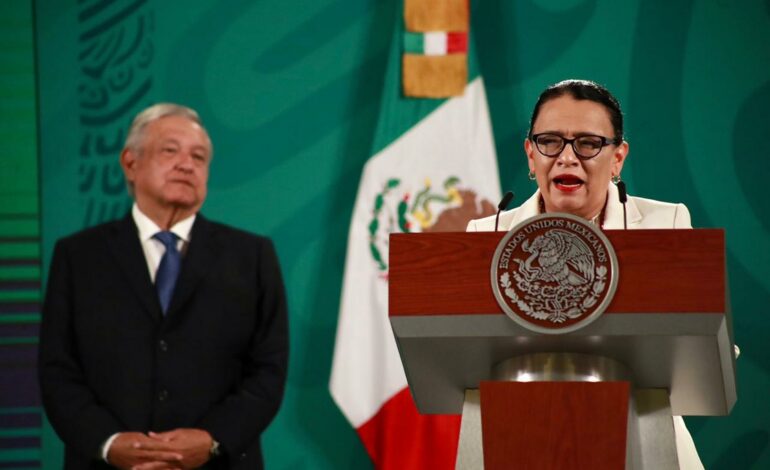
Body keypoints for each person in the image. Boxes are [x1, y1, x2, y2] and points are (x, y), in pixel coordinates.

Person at [467, 79, 702, 469]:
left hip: (642, 440)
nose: (567, 157)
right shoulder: (487, 235)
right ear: (531, 155)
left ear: (618, 157)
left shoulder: (665, 225)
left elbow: (699, 348)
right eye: (550, 142)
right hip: (520, 437)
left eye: (588, 143)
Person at [38, 103, 288, 470]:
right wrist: (108, 443)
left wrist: (212, 439)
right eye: (170, 151)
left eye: (198, 157)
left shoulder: (252, 256)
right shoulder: (78, 257)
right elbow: (57, 369)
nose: (187, 164)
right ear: (130, 162)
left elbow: (268, 370)